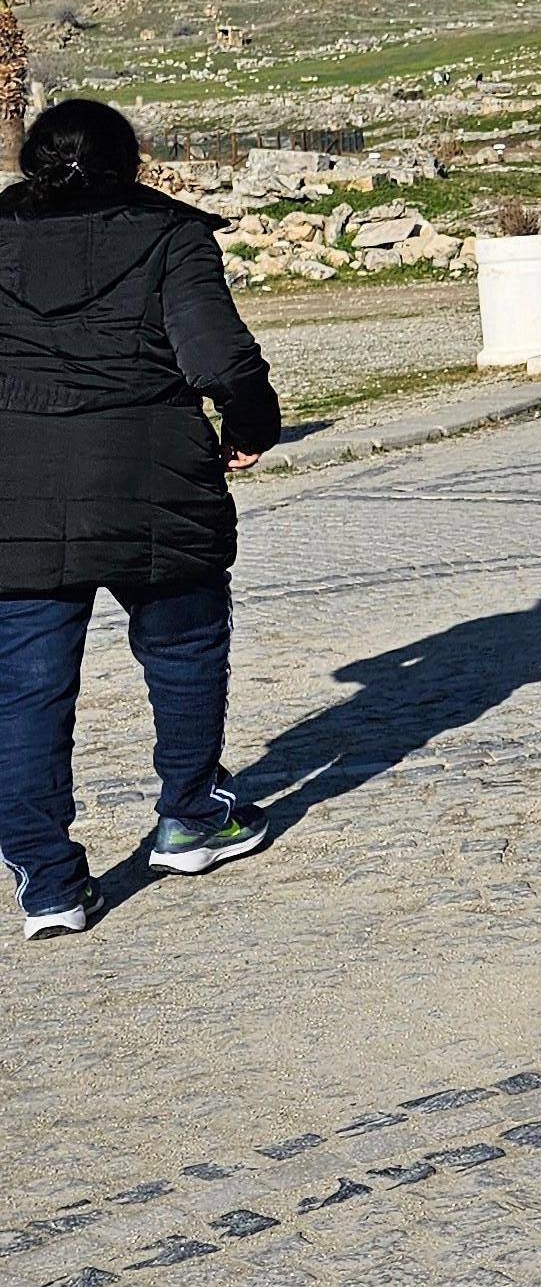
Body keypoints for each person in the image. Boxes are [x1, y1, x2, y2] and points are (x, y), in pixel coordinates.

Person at [0, 98, 281, 938]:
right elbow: (219, 355)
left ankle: (47, 883)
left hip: (15, 488)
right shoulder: (171, 234)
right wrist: (251, 427)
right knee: (183, 651)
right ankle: (190, 818)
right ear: (132, 163)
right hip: (155, 475)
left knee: (24, 690)